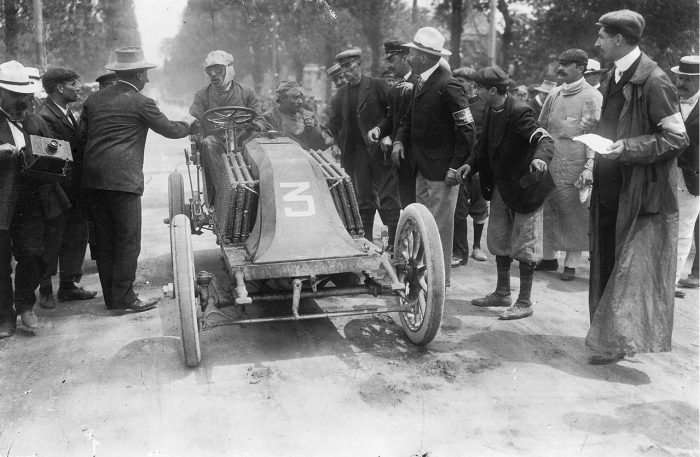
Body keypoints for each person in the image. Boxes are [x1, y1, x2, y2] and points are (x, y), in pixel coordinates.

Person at [585, 10, 688, 364]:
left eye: (601, 36)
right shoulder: (613, 75)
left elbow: (677, 137)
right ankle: (609, 335)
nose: (596, 42)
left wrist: (628, 147)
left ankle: (616, 342)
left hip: (640, 191)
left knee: (628, 266)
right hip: (610, 184)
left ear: (618, 39)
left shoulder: (654, 80)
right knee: (608, 259)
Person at [81, 47, 196, 313]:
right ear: (139, 74)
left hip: (93, 179)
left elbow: (82, 137)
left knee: (105, 239)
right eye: (146, 74)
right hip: (123, 180)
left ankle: (112, 298)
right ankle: (126, 298)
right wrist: (189, 122)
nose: (148, 79)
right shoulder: (141, 102)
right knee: (128, 240)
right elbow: (171, 130)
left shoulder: (93, 100)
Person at [458, 66, 555, 320]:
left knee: (525, 244)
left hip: (526, 189)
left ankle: (524, 301)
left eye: (478, 87)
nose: (475, 91)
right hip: (501, 186)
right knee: (499, 239)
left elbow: (544, 140)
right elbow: (482, 146)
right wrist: (471, 164)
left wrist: (540, 159)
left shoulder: (521, 111)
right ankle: (502, 293)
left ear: (493, 90)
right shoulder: (491, 109)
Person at [391, 27, 476, 286]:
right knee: (422, 227)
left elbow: (467, 128)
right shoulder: (422, 81)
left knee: (438, 229)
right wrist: (398, 140)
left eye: (413, 53)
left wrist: (456, 167)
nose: (408, 58)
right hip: (422, 168)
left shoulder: (448, 84)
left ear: (425, 57)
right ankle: (424, 275)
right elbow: (409, 117)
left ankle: (439, 283)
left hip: (442, 173)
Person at [0, 61, 70, 337]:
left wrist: (50, 155)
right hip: (1, 202)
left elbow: (58, 151)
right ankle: (5, 317)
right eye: (16, 95)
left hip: (31, 200)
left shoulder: (35, 120)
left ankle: (25, 304)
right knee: (0, 262)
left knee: (34, 254)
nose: (22, 101)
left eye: (26, 95)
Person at [537, 49, 603, 281]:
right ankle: (548, 257)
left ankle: (571, 264)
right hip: (551, 159)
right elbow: (542, 125)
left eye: (566, 65)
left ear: (581, 69)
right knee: (548, 208)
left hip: (577, 162)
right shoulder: (554, 93)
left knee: (573, 212)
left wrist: (589, 166)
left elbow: (594, 135)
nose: (560, 68)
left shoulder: (591, 96)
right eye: (559, 63)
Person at [37, 67, 97, 309]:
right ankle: (45, 289)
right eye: (74, 83)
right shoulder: (45, 117)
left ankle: (68, 286)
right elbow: (49, 159)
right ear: (60, 88)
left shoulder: (67, 112)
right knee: (52, 240)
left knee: (75, 237)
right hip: (57, 190)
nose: (79, 87)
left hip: (73, 189)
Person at [326, 48, 399, 243]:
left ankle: (394, 243)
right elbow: (333, 124)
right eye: (342, 67)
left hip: (380, 151)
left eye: (349, 66)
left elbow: (395, 114)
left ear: (359, 65)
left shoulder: (378, 86)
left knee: (388, 198)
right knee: (364, 199)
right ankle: (367, 242)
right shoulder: (341, 95)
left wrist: (388, 135)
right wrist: (329, 140)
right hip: (356, 154)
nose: (345, 71)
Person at [189, 50, 261, 205]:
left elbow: (259, 117)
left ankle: (258, 192)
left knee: (257, 143)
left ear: (229, 69)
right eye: (210, 71)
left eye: (218, 69)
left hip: (243, 140)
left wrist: (257, 125)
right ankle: (223, 193)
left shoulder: (246, 93)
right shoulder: (202, 95)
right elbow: (195, 119)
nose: (213, 74)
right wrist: (197, 132)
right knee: (208, 143)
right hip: (217, 142)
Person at [369, 40, 417, 209]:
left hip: (418, 157)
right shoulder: (396, 89)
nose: (389, 65)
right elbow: (391, 120)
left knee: (420, 207)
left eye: (392, 60)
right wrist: (379, 129)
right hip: (402, 157)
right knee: (407, 204)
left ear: (405, 59)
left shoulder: (420, 83)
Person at [451, 66, 489, 266]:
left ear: (472, 83)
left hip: (478, 164)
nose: (458, 84)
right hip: (459, 162)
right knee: (458, 208)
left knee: (479, 206)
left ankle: (477, 246)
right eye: (455, 79)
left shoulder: (483, 105)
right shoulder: (457, 103)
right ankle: (459, 251)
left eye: (462, 80)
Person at [671, 55, 699, 295]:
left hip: (693, 179)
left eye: (688, 79)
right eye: (680, 77)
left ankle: (671, 283)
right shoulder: (668, 100)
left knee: (684, 230)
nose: (680, 83)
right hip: (665, 173)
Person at [262, 80, 328, 150]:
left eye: (300, 97)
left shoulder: (308, 115)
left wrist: (312, 131)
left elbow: (320, 147)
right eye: (295, 97)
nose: (300, 101)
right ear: (282, 99)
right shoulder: (270, 117)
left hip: (305, 158)